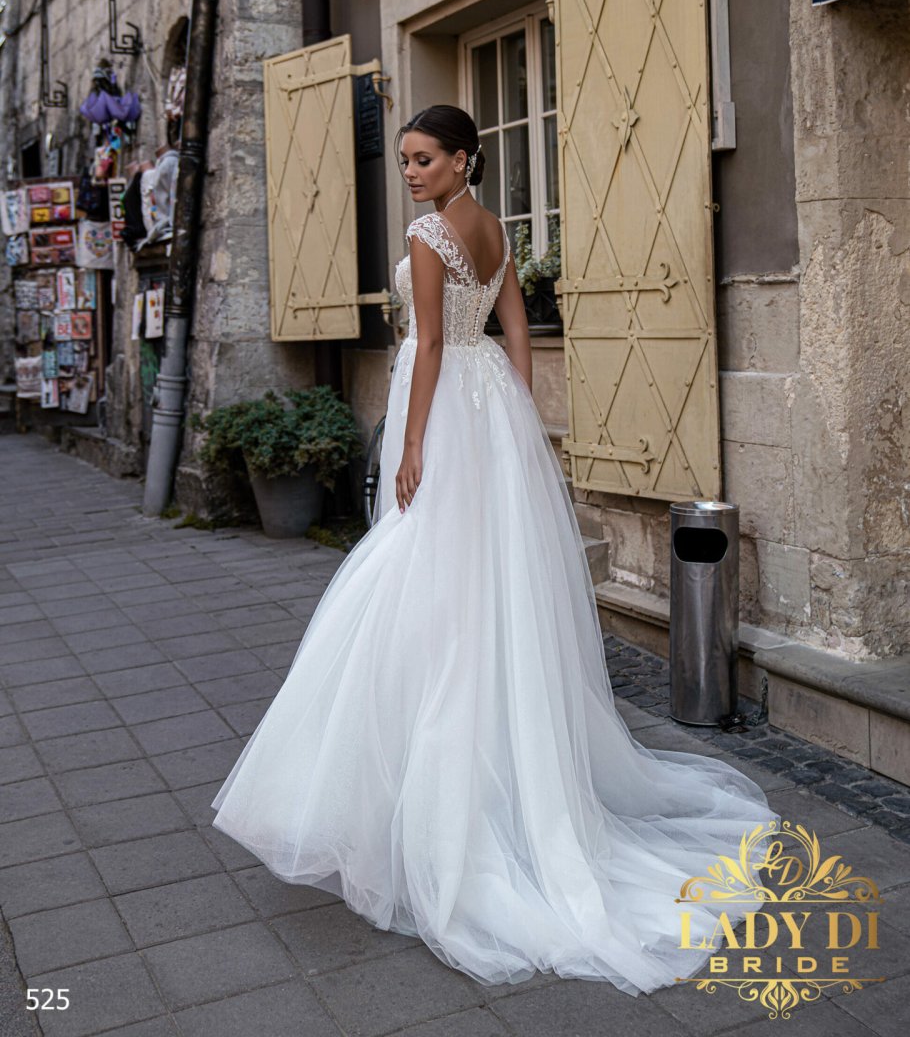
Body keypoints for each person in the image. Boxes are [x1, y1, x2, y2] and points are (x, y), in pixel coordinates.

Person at [210, 104, 781, 994]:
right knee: (488, 587)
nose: (410, 171)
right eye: (403, 159)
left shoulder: (431, 232)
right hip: (491, 417)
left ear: (462, 159)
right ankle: (482, 776)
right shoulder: (496, 226)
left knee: (425, 584)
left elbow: (431, 341)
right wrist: (515, 414)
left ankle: (425, 799)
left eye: (424, 158)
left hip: (439, 409)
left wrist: (411, 446)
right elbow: (514, 326)